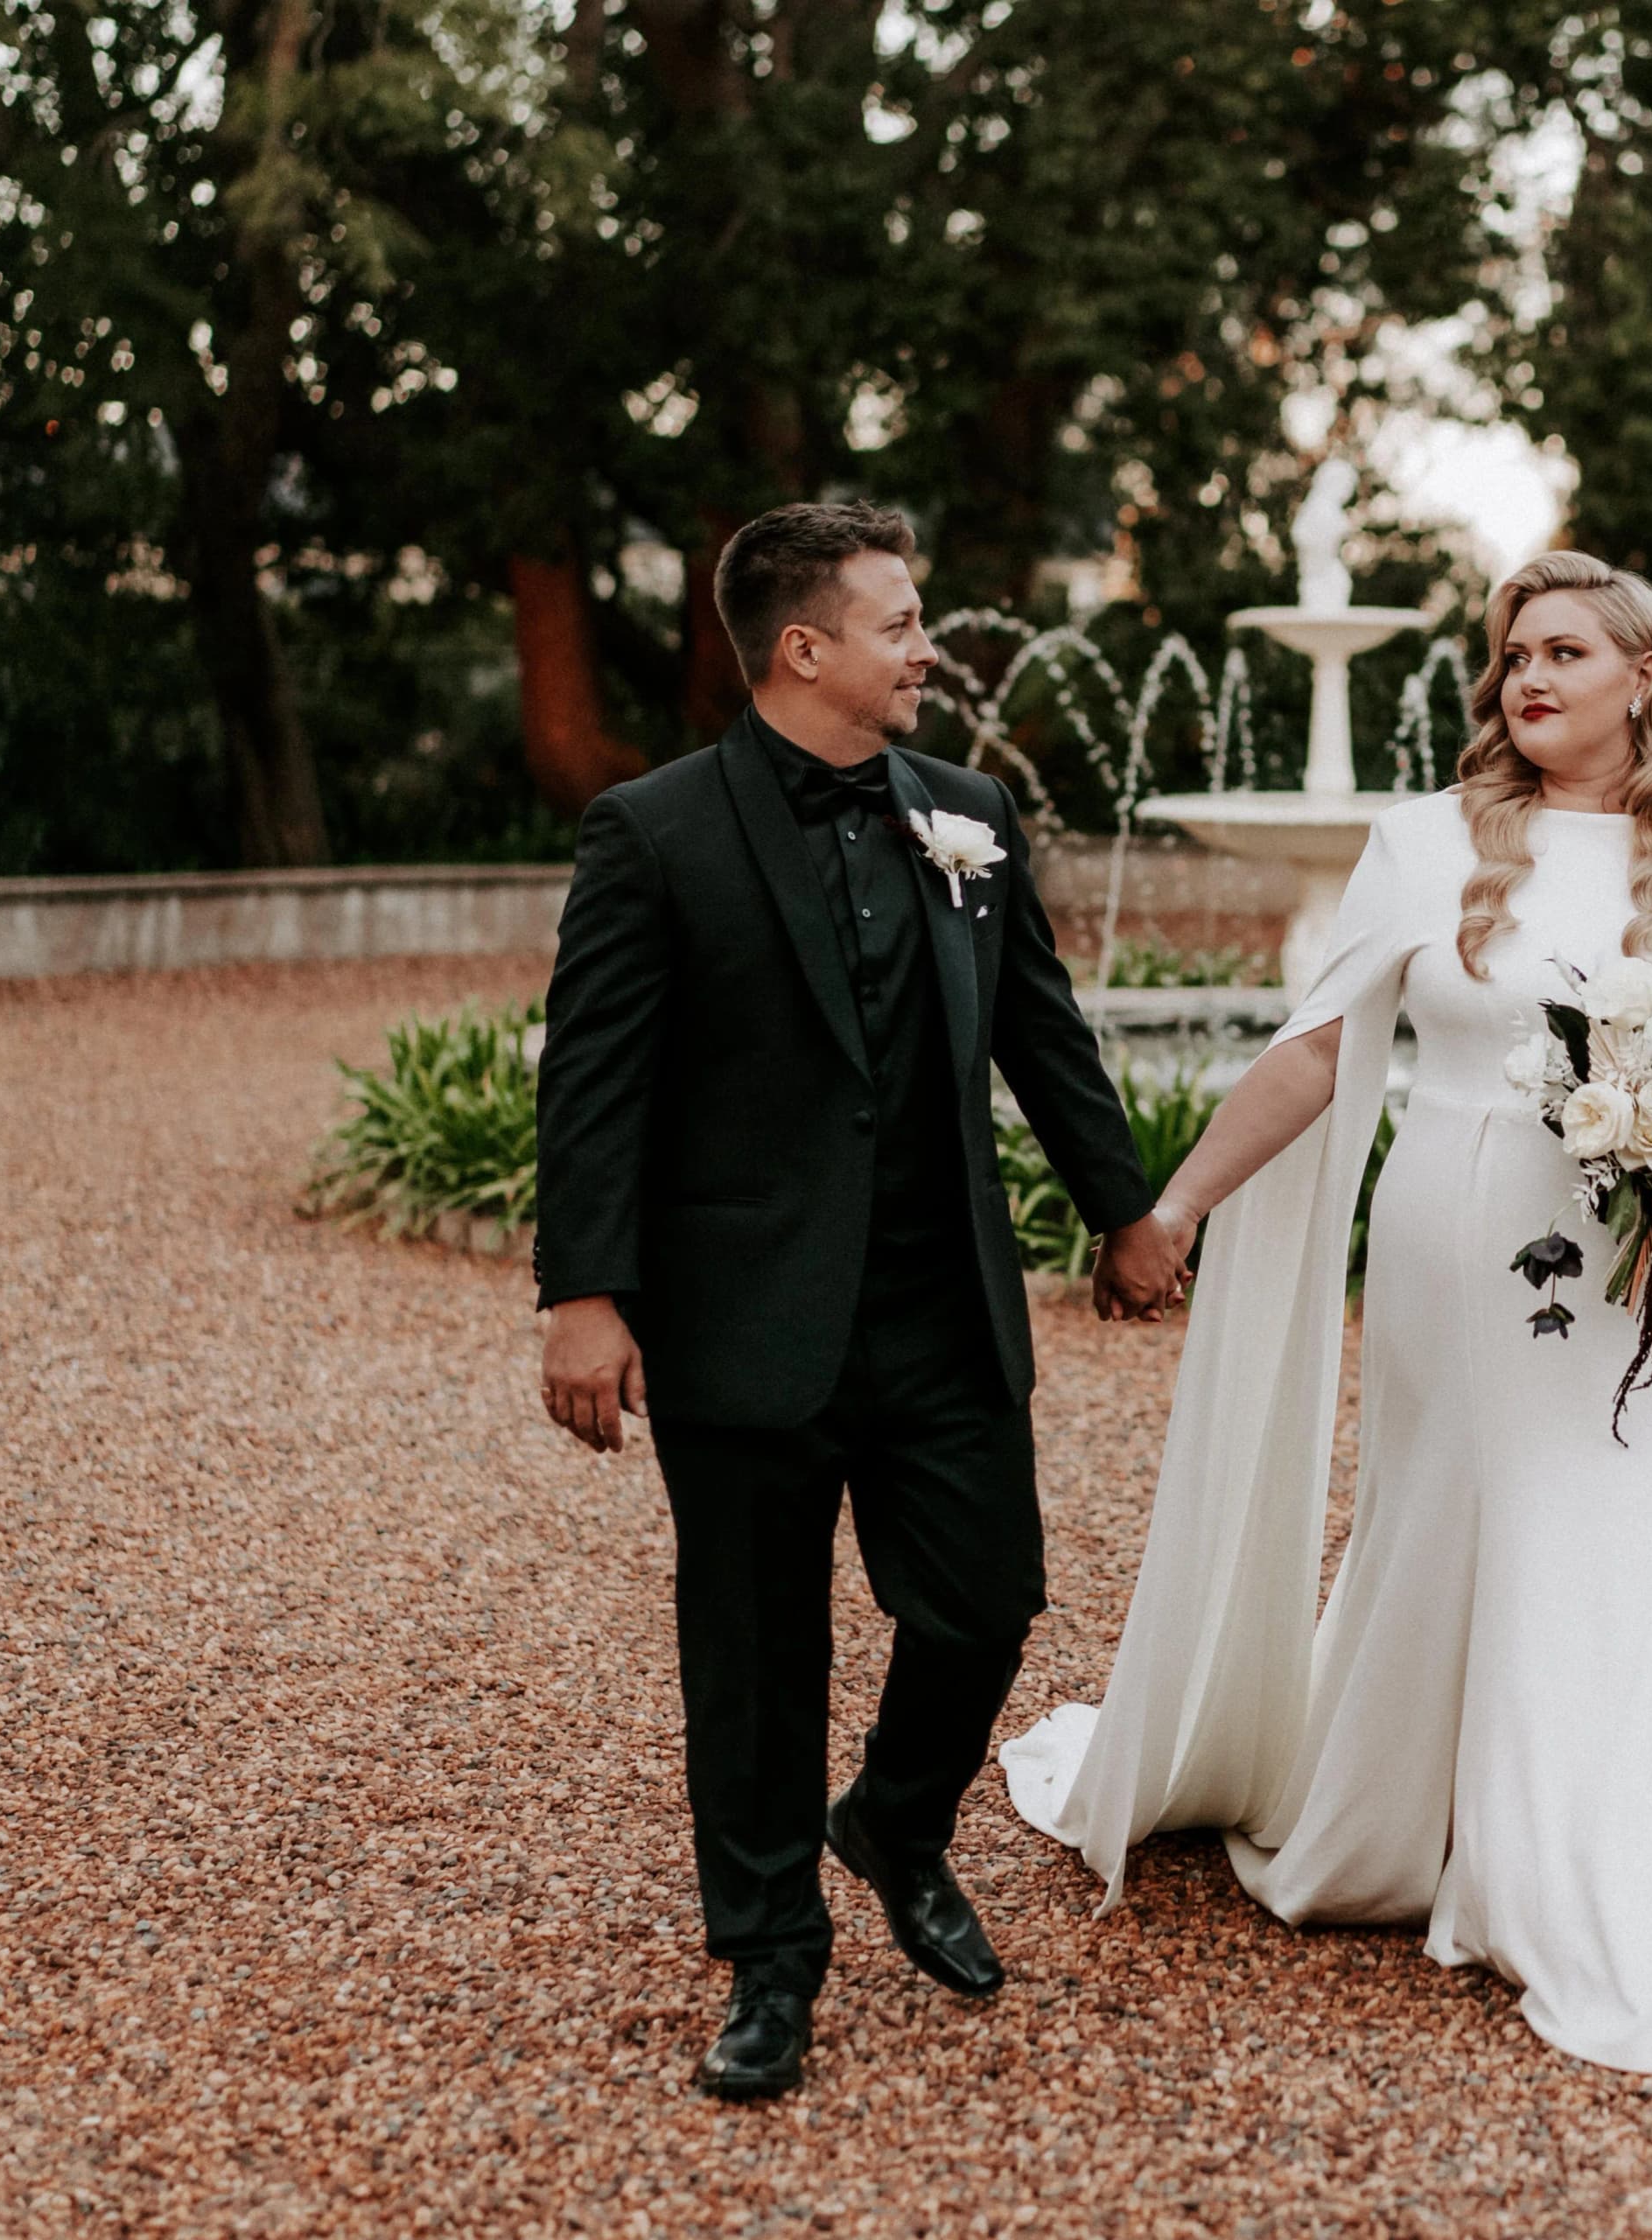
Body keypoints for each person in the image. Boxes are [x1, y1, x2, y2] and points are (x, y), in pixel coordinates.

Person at [1002, 550, 1652, 2074]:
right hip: (1464, 1255)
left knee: (1614, 1531)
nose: (1529, 679)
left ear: (1642, 674)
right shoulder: (1425, 840)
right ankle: (1421, 1824)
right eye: (1516, 655)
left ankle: (1569, 1887)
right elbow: (1318, 1054)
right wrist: (1176, 1206)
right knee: (1459, 1517)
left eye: (1567, 654)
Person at [531, 500, 1194, 2102]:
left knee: (989, 1598)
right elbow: (596, 1089)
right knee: (752, 1652)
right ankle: (771, 1957)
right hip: (743, 1312)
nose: (929, 649)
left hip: (941, 1305)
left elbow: (1043, 1029)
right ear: (805, 648)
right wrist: (584, 1296)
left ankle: (894, 1821)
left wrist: (1127, 1210)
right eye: (901, 624)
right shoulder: (655, 833)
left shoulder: (965, 813)